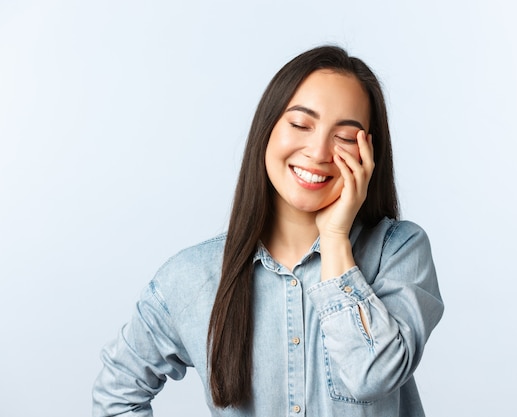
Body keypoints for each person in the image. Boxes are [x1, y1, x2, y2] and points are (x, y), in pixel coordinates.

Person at [92, 45, 444, 417]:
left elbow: (372, 376)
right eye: (300, 124)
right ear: (267, 129)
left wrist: (335, 240)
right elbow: (117, 393)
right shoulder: (193, 276)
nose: (319, 151)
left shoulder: (399, 252)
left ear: (368, 154)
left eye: (344, 136)